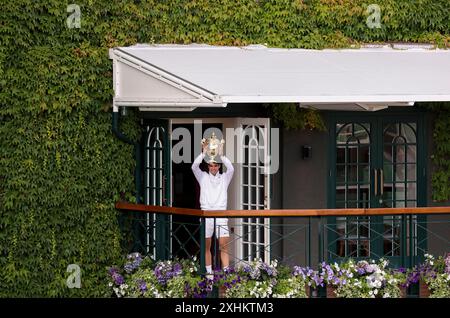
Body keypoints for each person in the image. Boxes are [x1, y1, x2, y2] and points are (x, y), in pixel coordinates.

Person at [191, 142, 234, 278]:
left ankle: (226, 275)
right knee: (206, 246)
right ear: (208, 166)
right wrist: (203, 152)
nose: (213, 167)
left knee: (223, 245)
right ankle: (209, 275)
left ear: (219, 166)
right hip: (206, 215)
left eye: (216, 165)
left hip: (221, 214)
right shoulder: (202, 176)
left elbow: (231, 168)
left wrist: (221, 154)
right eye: (211, 165)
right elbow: (194, 166)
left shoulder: (224, 178)